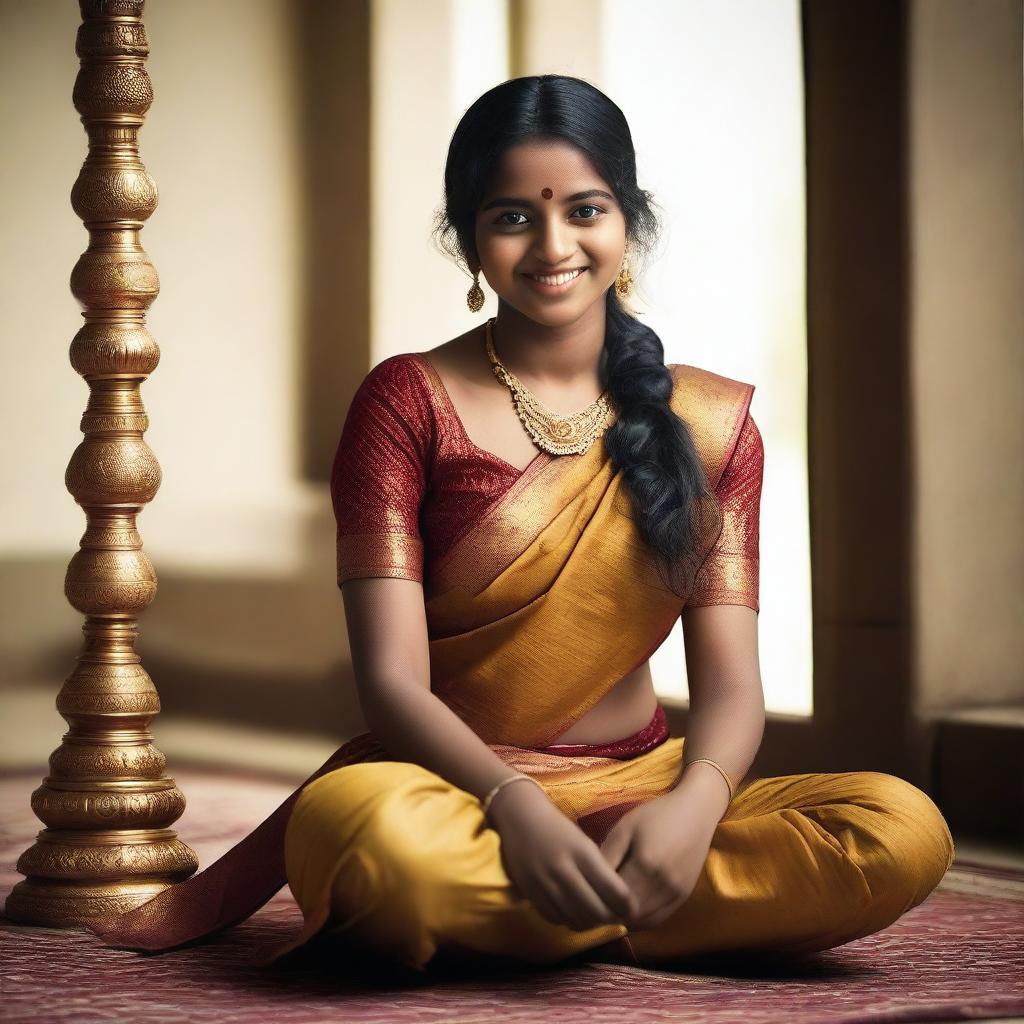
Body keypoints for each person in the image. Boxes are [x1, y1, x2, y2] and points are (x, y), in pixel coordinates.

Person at [84, 74, 954, 973]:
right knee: (368, 841)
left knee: (902, 829)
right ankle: (629, 911)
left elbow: (732, 688)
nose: (553, 245)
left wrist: (694, 809)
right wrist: (515, 804)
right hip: (451, 793)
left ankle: (556, 908)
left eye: (585, 210)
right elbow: (392, 685)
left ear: (628, 222)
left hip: (643, 792)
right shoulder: (407, 401)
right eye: (512, 218)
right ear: (467, 238)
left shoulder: (707, 424)